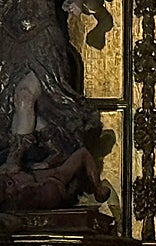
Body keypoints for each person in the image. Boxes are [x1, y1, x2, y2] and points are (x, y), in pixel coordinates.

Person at [0, 0, 101, 175]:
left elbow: (95, 6)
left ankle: (14, 159)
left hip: (43, 40)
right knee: (17, 104)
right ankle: (57, 147)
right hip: (10, 40)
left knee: (25, 96)